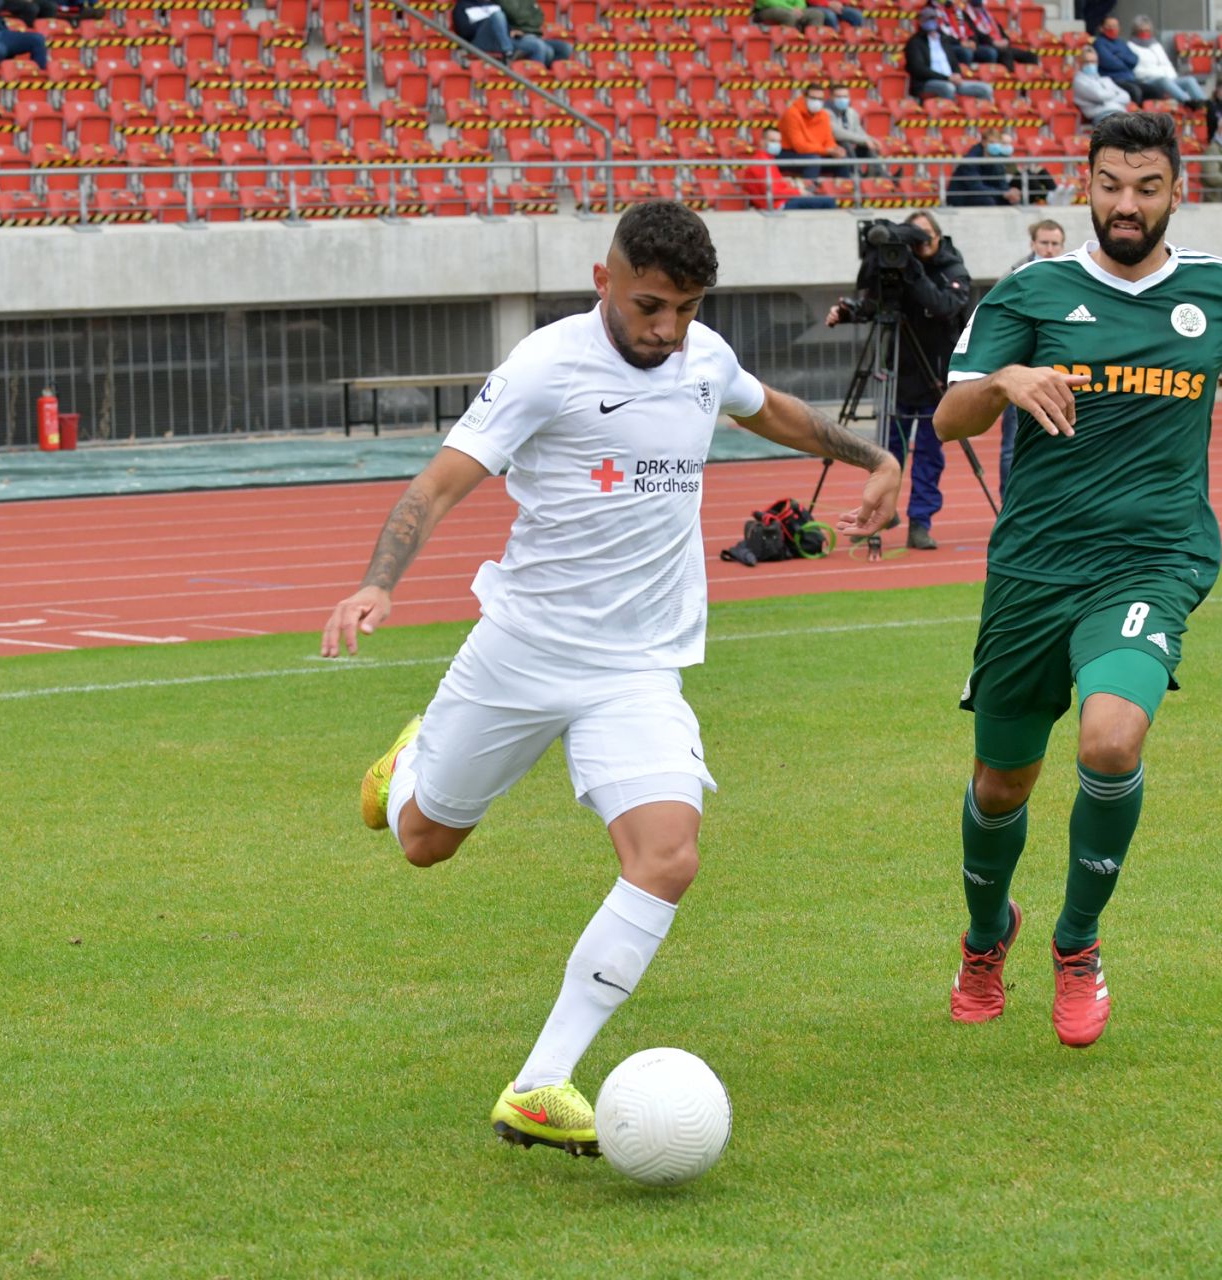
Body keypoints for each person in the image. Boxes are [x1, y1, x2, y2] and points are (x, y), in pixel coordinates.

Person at [322, 202, 899, 1157]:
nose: (665, 329)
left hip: (638, 669)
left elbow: (767, 408)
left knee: (668, 856)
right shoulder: (545, 367)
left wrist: (869, 451)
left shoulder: (701, 355)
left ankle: (540, 1082)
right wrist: (378, 584)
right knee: (424, 844)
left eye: (683, 309)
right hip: (522, 652)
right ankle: (411, 763)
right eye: (648, 306)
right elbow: (436, 486)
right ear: (604, 280)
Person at [931, 109, 1222, 1047]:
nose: (1127, 205)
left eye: (1147, 188)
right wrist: (1007, 382)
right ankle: (989, 937)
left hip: (1154, 560)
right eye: (1111, 186)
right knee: (999, 789)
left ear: (1177, 189)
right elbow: (948, 419)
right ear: (1087, 184)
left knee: (1110, 740)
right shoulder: (1033, 291)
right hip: (1033, 569)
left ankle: (1077, 943)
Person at [824, 210, 973, 551]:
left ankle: (920, 523)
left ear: (938, 238)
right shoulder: (899, 267)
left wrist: (913, 271)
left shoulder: (952, 269)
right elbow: (876, 304)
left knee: (928, 458)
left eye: (924, 239)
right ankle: (882, 511)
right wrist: (848, 312)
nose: (918, 246)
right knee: (887, 455)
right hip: (898, 376)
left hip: (935, 378)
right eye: (912, 238)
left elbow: (942, 305)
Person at [999, 222, 1069, 500]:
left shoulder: (1074, 278)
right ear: (1033, 244)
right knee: (1012, 445)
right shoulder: (1014, 278)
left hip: (1060, 375)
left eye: (1055, 244)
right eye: (1044, 243)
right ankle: (1010, 502)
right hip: (1021, 375)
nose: (1049, 249)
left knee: (1060, 440)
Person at [905, 8, 996, 101]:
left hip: (951, 80)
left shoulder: (943, 40)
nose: (931, 22)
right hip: (927, 82)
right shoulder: (914, 43)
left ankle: (982, 114)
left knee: (986, 89)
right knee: (948, 88)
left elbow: (953, 61)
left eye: (933, 19)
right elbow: (919, 69)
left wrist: (957, 74)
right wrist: (947, 78)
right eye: (928, 19)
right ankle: (951, 113)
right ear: (920, 22)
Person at [740, 127, 840, 209]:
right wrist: (798, 192)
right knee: (828, 202)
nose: (776, 144)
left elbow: (777, 186)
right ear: (762, 142)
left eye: (779, 141)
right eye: (772, 141)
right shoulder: (761, 163)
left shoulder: (768, 160)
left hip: (782, 202)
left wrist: (794, 186)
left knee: (818, 198)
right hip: (777, 206)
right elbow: (773, 192)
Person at [1129, 16, 1207, 103]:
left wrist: (1171, 75)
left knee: (1189, 80)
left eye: (1147, 30)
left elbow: (1166, 63)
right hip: (1148, 80)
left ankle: (1205, 105)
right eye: (1142, 31)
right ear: (1135, 31)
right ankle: (1187, 102)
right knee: (1164, 80)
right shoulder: (1131, 46)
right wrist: (1159, 74)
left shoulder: (1156, 45)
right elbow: (1137, 71)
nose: (1145, 33)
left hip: (1169, 78)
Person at [779, 84, 850, 179]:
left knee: (842, 159)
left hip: (816, 153)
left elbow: (828, 140)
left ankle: (842, 191)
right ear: (804, 97)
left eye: (820, 99)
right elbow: (799, 146)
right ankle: (810, 191)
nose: (816, 102)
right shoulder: (792, 114)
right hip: (788, 153)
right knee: (813, 160)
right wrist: (827, 151)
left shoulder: (824, 115)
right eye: (813, 98)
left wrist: (835, 149)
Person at [948, 128, 1024, 206]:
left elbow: (1001, 181)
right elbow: (976, 187)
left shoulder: (997, 157)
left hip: (987, 193)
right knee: (987, 201)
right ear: (983, 142)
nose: (995, 146)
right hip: (963, 196)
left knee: (1013, 199)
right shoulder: (970, 160)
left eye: (997, 143)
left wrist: (1009, 192)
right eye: (991, 142)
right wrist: (1003, 193)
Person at [957, 0, 1038, 70]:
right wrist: (993, 42)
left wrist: (1005, 39)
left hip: (1000, 44)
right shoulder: (965, 13)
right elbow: (976, 34)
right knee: (1006, 54)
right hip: (986, 44)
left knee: (1031, 56)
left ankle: (1027, 86)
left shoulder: (986, 13)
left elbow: (999, 29)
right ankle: (1009, 83)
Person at [497, 0, 574, 66]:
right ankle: (533, 79)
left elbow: (540, 17)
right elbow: (515, 15)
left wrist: (524, 20)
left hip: (534, 35)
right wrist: (528, 18)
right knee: (539, 46)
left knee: (566, 48)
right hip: (514, 38)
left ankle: (547, 77)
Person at [825, 86, 881, 166]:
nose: (842, 99)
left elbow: (859, 131)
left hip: (850, 149)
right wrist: (863, 140)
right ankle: (855, 174)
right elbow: (837, 133)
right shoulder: (825, 112)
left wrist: (870, 139)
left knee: (869, 147)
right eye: (838, 97)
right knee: (845, 143)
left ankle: (881, 175)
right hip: (832, 149)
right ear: (831, 97)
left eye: (845, 96)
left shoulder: (851, 112)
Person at [1075, 48, 1135, 121]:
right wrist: (1116, 93)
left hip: (1121, 112)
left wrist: (1107, 97)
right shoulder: (1079, 81)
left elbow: (1126, 97)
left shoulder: (1105, 79)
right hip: (1102, 115)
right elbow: (1099, 96)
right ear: (1080, 63)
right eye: (1087, 62)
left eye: (1094, 62)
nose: (1091, 64)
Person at [1094, 17, 1145, 99]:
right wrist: (1126, 64)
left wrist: (1119, 56)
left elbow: (1134, 59)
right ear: (1101, 28)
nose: (1112, 29)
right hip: (1113, 79)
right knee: (1136, 91)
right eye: (1109, 26)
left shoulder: (1121, 42)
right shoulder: (1099, 43)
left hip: (1130, 78)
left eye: (1115, 26)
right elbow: (1109, 63)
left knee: (1155, 91)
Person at [753, 0, 837, 30]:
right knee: (789, 15)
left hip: (791, 10)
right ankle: (788, 43)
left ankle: (811, 47)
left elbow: (800, 1)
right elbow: (768, 1)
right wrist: (791, 8)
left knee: (817, 14)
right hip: (765, 10)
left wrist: (799, 8)